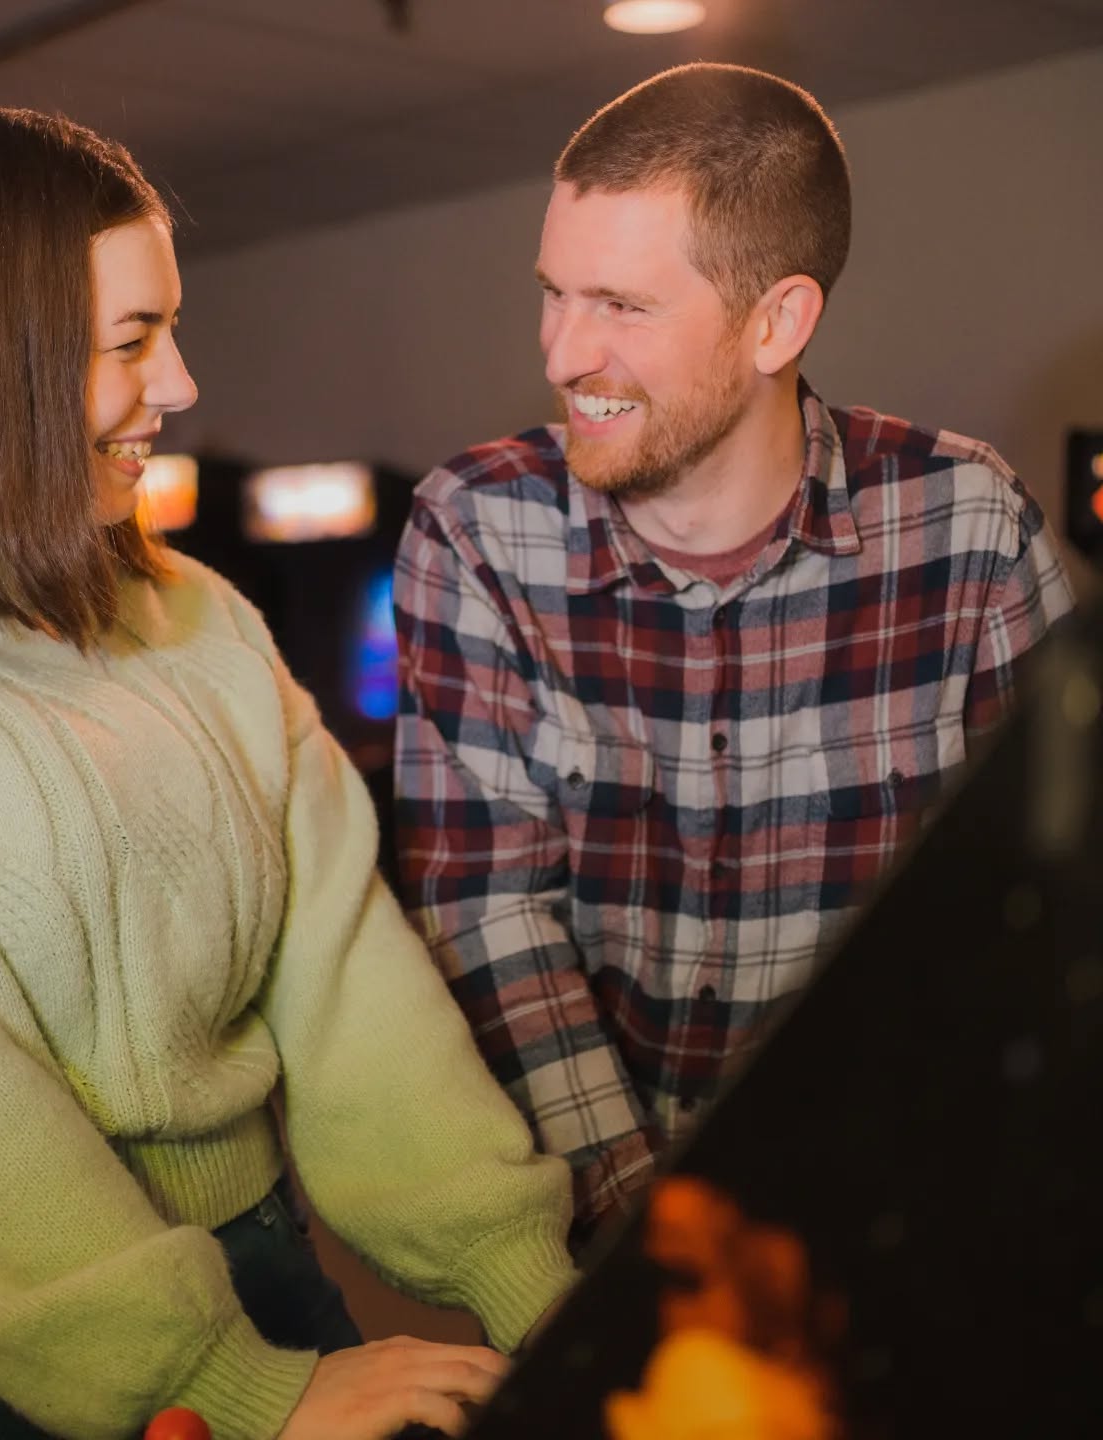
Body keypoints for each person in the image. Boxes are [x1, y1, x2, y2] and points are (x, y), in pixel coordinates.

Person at [0, 104, 577, 1440]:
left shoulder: (195, 611)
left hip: (241, 1264)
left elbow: (344, 980)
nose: (184, 383)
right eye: (134, 340)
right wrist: (232, 1390)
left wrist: (529, 1277)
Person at [391, 63, 1074, 1246]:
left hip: (907, 1213)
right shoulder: (475, 526)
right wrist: (641, 1232)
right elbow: (490, 911)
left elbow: (1049, 899)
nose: (561, 352)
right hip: (594, 1234)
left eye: (621, 306)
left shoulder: (968, 524)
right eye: (553, 293)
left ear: (778, 322)